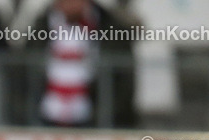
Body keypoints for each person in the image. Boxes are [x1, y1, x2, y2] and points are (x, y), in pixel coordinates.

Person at [24, 0, 135, 128]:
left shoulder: (109, 26)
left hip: (93, 121)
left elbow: (123, 80)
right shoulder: (42, 25)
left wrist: (106, 116)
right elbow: (23, 72)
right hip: (46, 118)